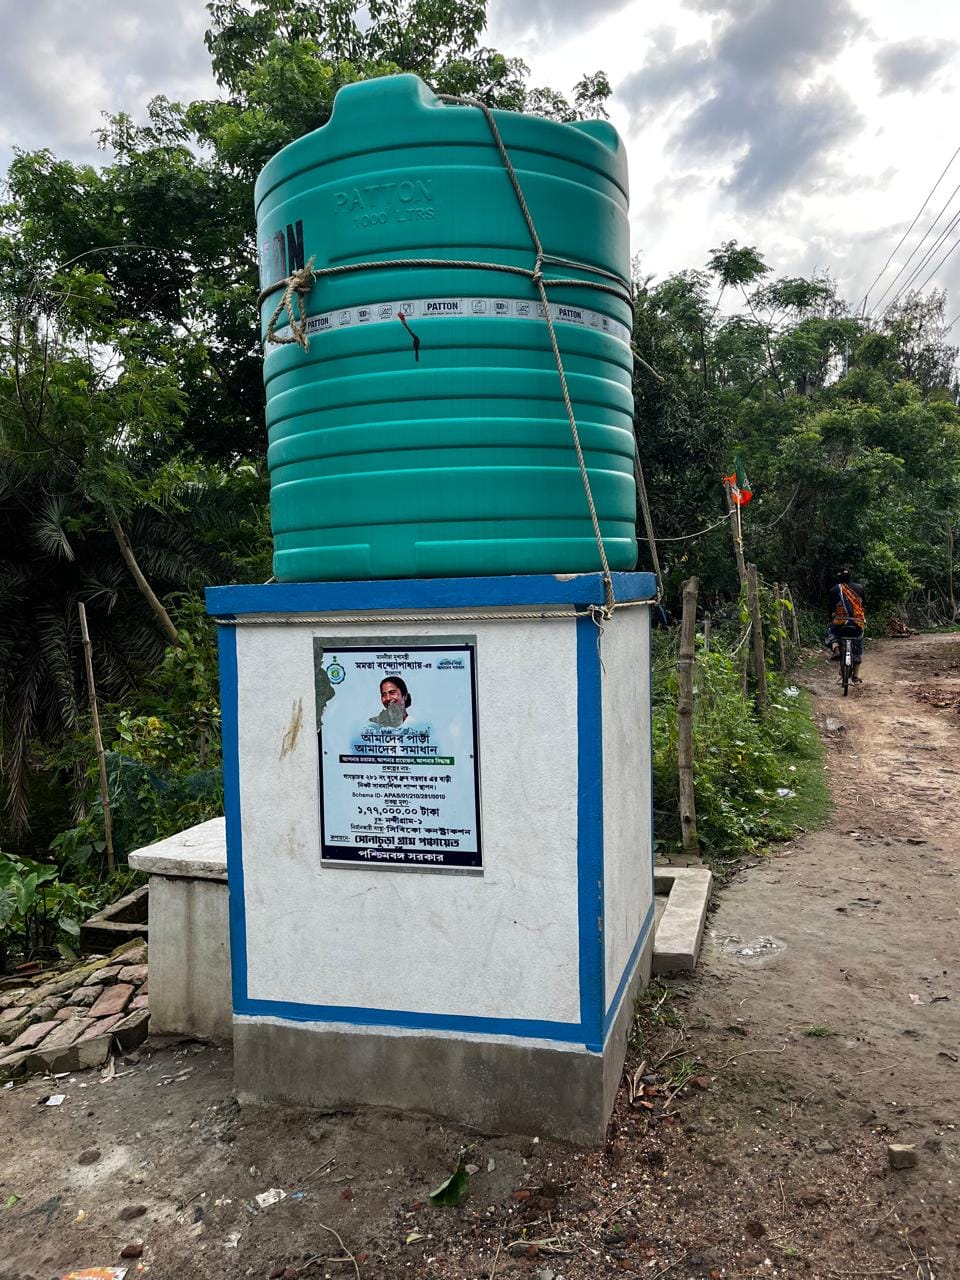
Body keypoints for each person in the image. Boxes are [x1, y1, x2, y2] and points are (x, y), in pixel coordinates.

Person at [826, 569, 865, 682]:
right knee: (858, 641)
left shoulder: (834, 589)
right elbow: (863, 605)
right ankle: (855, 675)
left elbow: (830, 607)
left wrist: (831, 616)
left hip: (840, 623)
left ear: (839, 578)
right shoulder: (860, 588)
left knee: (831, 631)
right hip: (857, 623)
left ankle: (836, 648)